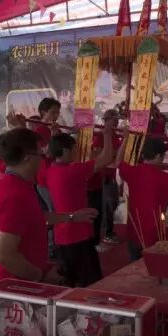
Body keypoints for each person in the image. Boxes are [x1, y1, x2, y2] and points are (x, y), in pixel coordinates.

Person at [0, 128, 98, 288]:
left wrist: (72, 217)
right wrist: (40, 276)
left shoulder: (17, 184)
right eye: (40, 154)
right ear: (27, 158)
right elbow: (4, 255)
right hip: (9, 286)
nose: (43, 160)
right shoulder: (15, 195)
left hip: (15, 281)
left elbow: (35, 217)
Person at [46, 121, 120, 287]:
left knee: (69, 281)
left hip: (62, 236)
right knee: (91, 283)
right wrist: (107, 134)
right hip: (77, 235)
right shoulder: (73, 171)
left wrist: (54, 136)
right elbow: (106, 158)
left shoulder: (51, 170)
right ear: (66, 151)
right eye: (74, 149)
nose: (76, 152)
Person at [118, 138, 168, 261]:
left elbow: (118, 161)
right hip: (154, 235)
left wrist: (125, 140)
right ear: (159, 156)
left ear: (143, 154)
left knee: (134, 266)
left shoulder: (133, 172)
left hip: (134, 231)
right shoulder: (166, 179)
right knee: (152, 268)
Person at [88, 109, 123, 250]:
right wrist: (114, 153)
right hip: (103, 176)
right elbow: (97, 153)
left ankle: (106, 231)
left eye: (117, 118)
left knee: (113, 203)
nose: (117, 121)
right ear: (106, 120)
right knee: (106, 205)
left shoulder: (115, 135)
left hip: (111, 175)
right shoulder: (101, 135)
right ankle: (106, 233)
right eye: (114, 118)